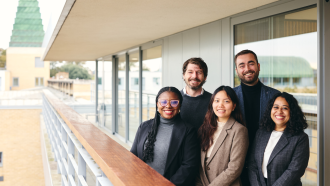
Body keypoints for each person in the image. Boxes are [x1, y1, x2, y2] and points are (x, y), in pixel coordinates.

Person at [130, 86, 200, 186]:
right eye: (163, 102)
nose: (168, 106)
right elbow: (133, 155)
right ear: (157, 104)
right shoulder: (144, 126)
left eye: (174, 102)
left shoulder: (188, 131)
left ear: (180, 105)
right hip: (142, 182)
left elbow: (189, 166)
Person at [233, 50, 280, 185]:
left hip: (267, 164)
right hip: (237, 162)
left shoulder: (275, 96)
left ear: (258, 66)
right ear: (237, 70)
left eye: (251, 63)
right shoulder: (230, 97)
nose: (247, 69)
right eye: (242, 65)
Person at [248, 92, 310, 186]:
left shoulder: (300, 139)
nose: (279, 111)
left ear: (292, 112)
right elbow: (252, 164)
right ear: (270, 110)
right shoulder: (261, 133)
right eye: (276, 107)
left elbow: (294, 171)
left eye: (285, 108)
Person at [196, 86, 249, 186]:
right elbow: (198, 164)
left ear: (234, 106)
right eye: (217, 100)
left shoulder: (239, 130)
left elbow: (234, 168)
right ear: (212, 104)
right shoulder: (204, 128)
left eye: (226, 101)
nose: (220, 105)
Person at [180, 58, 212, 129]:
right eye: (190, 72)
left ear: (205, 77)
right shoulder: (174, 100)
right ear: (184, 75)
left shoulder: (214, 100)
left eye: (199, 72)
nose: (194, 76)